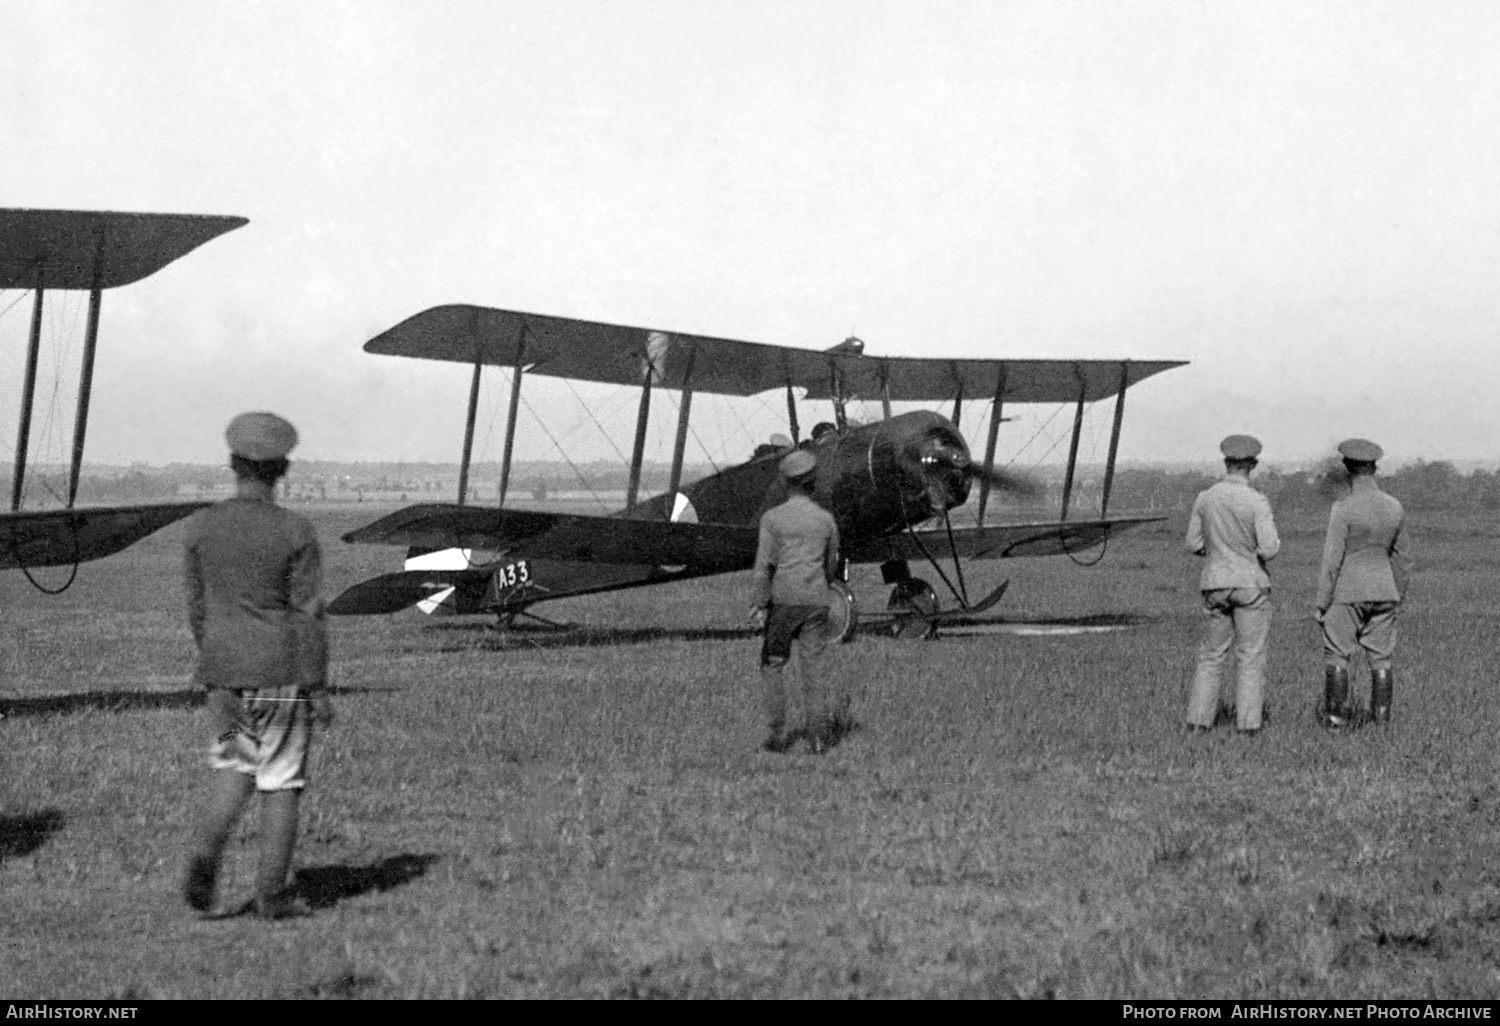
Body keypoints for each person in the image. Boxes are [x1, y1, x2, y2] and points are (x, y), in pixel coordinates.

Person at [180, 412, 332, 919]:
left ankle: (206, 852)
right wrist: (316, 684)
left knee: (234, 766)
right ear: (283, 468)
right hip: (281, 677)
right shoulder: (295, 531)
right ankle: (273, 896)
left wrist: (218, 655)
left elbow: (197, 609)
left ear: (231, 463)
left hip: (223, 678)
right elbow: (307, 614)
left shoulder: (202, 528)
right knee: (281, 781)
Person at [1184, 434, 1281, 734]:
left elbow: (1192, 543)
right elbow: (1269, 549)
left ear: (1226, 462)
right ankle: (1248, 725)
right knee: (1250, 656)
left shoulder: (1206, 497)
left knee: (1211, 655)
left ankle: (1199, 722)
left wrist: (1215, 553)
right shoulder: (1256, 501)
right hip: (1250, 583)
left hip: (1214, 583)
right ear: (1252, 465)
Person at [749, 449, 843, 753]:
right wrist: (821, 587)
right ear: (812, 483)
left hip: (784, 601)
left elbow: (764, 566)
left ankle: (777, 736)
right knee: (814, 671)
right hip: (816, 601)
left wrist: (760, 603)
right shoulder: (826, 520)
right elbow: (832, 564)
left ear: (787, 483)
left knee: (773, 664)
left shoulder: (773, 519)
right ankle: (817, 740)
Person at [1315, 438, 1411, 727]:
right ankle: (1381, 724)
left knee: (1337, 654)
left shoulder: (1343, 508)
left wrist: (1321, 604)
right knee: (1381, 659)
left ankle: (1335, 722)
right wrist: (1397, 595)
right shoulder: (1395, 507)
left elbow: (1332, 561)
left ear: (1348, 469)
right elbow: (1404, 560)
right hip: (1385, 592)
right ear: (1375, 468)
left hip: (1348, 592)